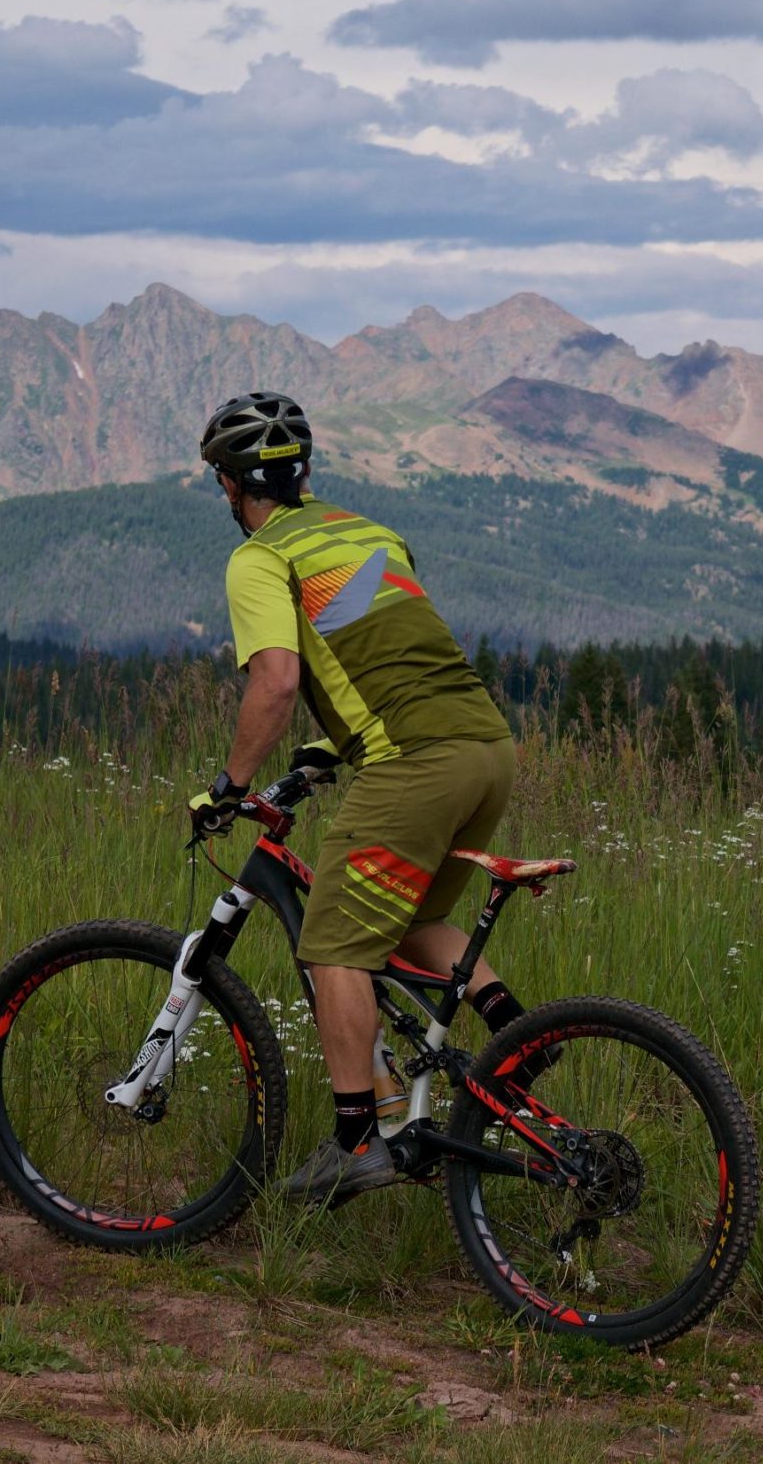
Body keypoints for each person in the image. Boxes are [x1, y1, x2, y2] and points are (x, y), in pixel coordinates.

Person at [185, 391, 527, 1207]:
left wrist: (228, 786)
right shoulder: (367, 532)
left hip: (414, 760)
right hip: (486, 748)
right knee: (403, 922)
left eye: (223, 484)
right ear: (301, 473)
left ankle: (356, 1141)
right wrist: (327, 745)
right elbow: (377, 649)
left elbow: (276, 682)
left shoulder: (262, 557)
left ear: (235, 485)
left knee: (334, 943)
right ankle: (519, 1037)